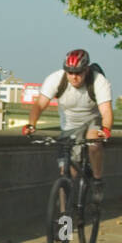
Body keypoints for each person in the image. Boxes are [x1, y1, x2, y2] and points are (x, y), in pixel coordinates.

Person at [22, 49, 112, 197]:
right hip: (69, 126)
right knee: (66, 174)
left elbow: (106, 110)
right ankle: (65, 217)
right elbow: (39, 105)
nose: (74, 77)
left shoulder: (98, 81)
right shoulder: (56, 79)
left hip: (92, 119)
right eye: (70, 73)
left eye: (78, 73)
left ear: (86, 70)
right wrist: (31, 124)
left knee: (94, 142)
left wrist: (106, 128)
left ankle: (97, 180)